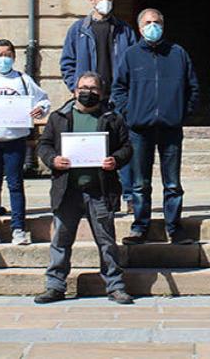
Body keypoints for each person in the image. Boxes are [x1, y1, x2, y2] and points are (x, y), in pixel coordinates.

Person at [34, 71, 135, 305]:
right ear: (74, 91)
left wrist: (115, 160)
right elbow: (44, 145)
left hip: (99, 190)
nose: (87, 92)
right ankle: (55, 285)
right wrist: (52, 160)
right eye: (83, 88)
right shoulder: (59, 117)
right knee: (60, 239)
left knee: (107, 241)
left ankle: (115, 285)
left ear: (101, 93)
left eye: (93, 88)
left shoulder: (112, 118)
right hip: (66, 189)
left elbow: (127, 147)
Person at [112, 8, 201, 245]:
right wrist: (129, 113)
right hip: (139, 129)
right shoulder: (130, 55)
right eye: (148, 22)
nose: (153, 26)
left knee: (172, 183)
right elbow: (118, 88)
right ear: (140, 28)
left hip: (171, 127)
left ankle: (175, 228)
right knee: (140, 183)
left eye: (157, 22)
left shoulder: (177, 53)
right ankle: (140, 227)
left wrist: (182, 113)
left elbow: (193, 87)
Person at [60, 0, 138, 213]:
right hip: (89, 99)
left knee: (121, 146)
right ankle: (91, 196)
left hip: (116, 98)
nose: (105, 2)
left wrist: (127, 93)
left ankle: (130, 197)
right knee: (88, 148)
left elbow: (134, 63)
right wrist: (79, 90)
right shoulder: (78, 30)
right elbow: (67, 63)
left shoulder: (124, 30)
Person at [0, 40, 50, 245]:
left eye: (8, 54)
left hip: (15, 138)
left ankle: (19, 228)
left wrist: (40, 109)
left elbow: (43, 99)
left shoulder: (23, 80)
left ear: (13, 57)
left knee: (15, 184)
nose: (3, 58)